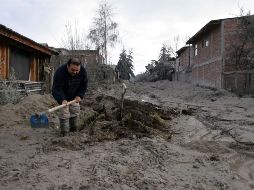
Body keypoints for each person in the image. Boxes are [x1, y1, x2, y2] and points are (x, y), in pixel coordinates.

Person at [52, 58, 88, 136]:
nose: (75, 72)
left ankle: (73, 130)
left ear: (80, 67)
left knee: (75, 111)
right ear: (68, 66)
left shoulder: (83, 71)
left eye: (77, 70)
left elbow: (84, 85)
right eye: (72, 70)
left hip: (75, 96)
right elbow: (56, 88)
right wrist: (62, 99)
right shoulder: (60, 72)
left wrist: (80, 95)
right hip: (63, 96)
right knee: (64, 113)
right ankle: (64, 133)